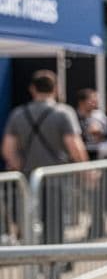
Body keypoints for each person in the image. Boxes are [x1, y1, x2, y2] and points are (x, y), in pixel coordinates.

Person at [3, 70, 88, 243]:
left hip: (27, 179)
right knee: (55, 223)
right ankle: (54, 264)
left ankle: (33, 263)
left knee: (29, 221)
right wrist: (85, 169)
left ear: (32, 89)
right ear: (56, 89)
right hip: (56, 178)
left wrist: (18, 163)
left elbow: (7, 148)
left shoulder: (18, 113)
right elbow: (74, 146)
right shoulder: (63, 113)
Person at [74, 87, 107, 156]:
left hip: (98, 153)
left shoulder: (100, 115)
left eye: (96, 101)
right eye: (92, 101)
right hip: (81, 152)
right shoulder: (73, 116)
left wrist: (99, 132)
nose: (95, 103)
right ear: (81, 102)